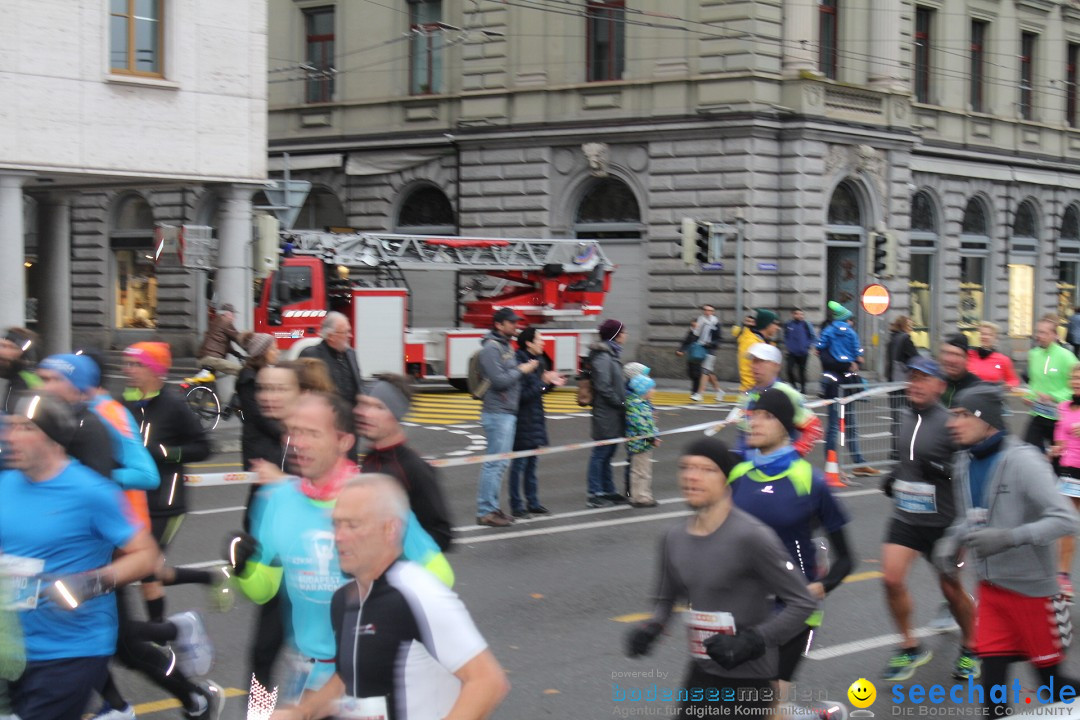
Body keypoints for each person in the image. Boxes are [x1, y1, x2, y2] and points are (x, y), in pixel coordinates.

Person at [227, 393, 453, 701]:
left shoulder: (377, 496)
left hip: (372, 676)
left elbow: (440, 574)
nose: (297, 442)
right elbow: (263, 590)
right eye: (293, 431)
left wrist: (385, 597)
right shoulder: (276, 501)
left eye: (311, 433)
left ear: (344, 441)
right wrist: (244, 568)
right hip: (308, 675)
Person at [268, 474, 510, 720]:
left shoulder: (419, 593)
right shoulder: (344, 600)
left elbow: (487, 681)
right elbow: (347, 677)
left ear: (389, 529)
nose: (339, 536)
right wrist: (302, 712)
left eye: (352, 525)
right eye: (336, 524)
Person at [624, 437, 817, 717]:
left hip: (749, 679)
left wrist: (753, 640)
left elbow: (803, 603)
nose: (692, 476)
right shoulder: (673, 538)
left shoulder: (752, 536)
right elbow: (665, 599)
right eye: (686, 468)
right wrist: (651, 628)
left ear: (726, 480)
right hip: (702, 672)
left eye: (706, 469)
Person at [0, 392, 159, 720]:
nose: (11, 436)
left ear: (54, 439)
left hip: (71, 650)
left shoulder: (92, 493)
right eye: (11, 426)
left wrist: (94, 582)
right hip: (12, 647)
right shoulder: (5, 484)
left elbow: (146, 555)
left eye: (26, 428)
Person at [937, 384, 1079, 719]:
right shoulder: (963, 461)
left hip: (1034, 595)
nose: (951, 422)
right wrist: (951, 541)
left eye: (961, 415)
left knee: (1054, 689)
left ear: (986, 420)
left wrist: (1009, 537)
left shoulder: (1024, 461)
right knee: (993, 699)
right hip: (991, 592)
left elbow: (1066, 520)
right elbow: (968, 517)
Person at [726, 389, 853, 689]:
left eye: (766, 416)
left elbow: (846, 558)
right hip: (744, 608)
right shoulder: (737, 474)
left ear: (785, 425)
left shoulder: (810, 481)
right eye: (752, 415)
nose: (754, 423)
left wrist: (819, 588)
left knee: (770, 700)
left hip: (792, 610)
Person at [879, 356, 977, 682]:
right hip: (906, 518)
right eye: (912, 377)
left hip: (944, 524)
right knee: (891, 579)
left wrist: (941, 471)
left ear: (940, 386)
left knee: (952, 591)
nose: (916, 384)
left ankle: (971, 647)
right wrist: (894, 476)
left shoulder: (951, 424)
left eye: (924, 378)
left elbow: (966, 471)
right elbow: (909, 460)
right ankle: (910, 647)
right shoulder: (905, 417)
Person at [121, 342, 212, 622]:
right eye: (129, 364)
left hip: (166, 501)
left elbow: (204, 447)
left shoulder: (173, 405)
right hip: (133, 500)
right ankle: (208, 577)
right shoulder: (125, 403)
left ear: (156, 371)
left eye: (138, 365)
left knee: (146, 570)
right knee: (147, 571)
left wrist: (167, 453)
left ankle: (160, 634)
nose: (129, 370)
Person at [356, 374, 454, 549]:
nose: (365, 413)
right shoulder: (369, 460)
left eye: (378, 407)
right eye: (364, 405)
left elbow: (441, 534)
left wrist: (394, 550)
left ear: (397, 413)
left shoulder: (413, 468)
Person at [475, 308, 544, 526]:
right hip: (497, 413)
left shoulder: (506, 347)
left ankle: (492, 508)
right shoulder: (491, 348)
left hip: (506, 412)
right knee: (494, 463)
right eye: (511, 323)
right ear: (499, 325)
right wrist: (523, 369)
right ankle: (486, 510)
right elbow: (500, 381)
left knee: (501, 464)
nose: (516, 326)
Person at [816, 301, 879, 477]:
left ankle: (857, 462)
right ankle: (836, 464)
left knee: (841, 425)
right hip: (842, 385)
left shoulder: (828, 333)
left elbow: (820, 351)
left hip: (838, 384)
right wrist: (853, 360)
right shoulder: (851, 333)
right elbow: (857, 354)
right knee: (845, 426)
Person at [506, 327, 562, 518]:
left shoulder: (537, 362)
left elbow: (538, 390)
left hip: (534, 417)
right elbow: (521, 395)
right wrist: (542, 382)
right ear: (529, 343)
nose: (543, 342)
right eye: (539, 339)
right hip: (522, 419)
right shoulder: (519, 362)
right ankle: (517, 505)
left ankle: (533, 502)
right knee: (519, 465)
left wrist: (551, 383)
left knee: (531, 464)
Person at [733, 343, 823, 460]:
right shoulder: (747, 395)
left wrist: (794, 454)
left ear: (776, 366)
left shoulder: (787, 393)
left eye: (761, 361)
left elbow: (814, 428)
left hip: (778, 468)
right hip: (750, 468)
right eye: (754, 361)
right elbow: (743, 436)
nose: (755, 366)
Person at [587, 319, 630, 508]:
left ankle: (608, 490)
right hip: (606, 412)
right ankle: (595, 493)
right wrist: (620, 402)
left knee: (609, 451)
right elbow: (603, 386)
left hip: (613, 412)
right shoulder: (603, 356)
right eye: (623, 332)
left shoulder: (611, 353)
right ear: (616, 335)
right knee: (601, 452)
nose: (626, 335)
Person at [1025, 314, 1078, 459]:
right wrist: (1028, 396)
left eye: (1043, 332)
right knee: (1029, 452)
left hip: (1059, 417)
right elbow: (1034, 383)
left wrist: (1053, 396)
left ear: (1054, 335)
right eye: (1038, 331)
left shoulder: (1066, 357)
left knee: (1059, 459)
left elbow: (1075, 385)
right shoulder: (1034, 354)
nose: (1039, 336)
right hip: (1038, 414)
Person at [1051, 363, 1080, 603]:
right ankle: (1063, 577)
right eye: (1075, 377)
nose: (1077, 381)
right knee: (1068, 523)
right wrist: (1054, 449)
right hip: (1070, 471)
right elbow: (1060, 437)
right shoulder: (1064, 407)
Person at [299, 312, 362, 406]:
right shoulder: (311, 355)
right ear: (331, 336)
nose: (350, 336)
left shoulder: (351, 354)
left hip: (350, 416)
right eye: (346, 332)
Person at [624, 365, 659, 508]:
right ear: (644, 390)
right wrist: (653, 437)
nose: (653, 391)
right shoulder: (639, 406)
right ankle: (641, 497)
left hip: (639, 442)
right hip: (641, 443)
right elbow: (644, 425)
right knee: (642, 471)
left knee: (638, 470)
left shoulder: (637, 403)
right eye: (651, 388)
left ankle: (636, 495)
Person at [676, 305, 721, 402]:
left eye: (710, 310)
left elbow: (719, 338)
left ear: (713, 312)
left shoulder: (715, 322)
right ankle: (719, 391)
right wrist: (682, 349)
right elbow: (691, 337)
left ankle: (699, 394)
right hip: (700, 348)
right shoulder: (699, 321)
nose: (707, 312)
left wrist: (711, 343)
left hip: (710, 349)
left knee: (705, 371)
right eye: (705, 310)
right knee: (708, 372)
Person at [195, 302, 243, 378]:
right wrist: (252, 348)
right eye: (233, 315)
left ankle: (202, 389)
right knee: (242, 371)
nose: (234, 318)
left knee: (210, 382)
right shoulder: (225, 321)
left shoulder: (215, 321)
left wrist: (237, 354)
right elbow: (239, 338)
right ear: (228, 314)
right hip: (212, 359)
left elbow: (224, 344)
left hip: (203, 358)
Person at [737, 309, 779, 391]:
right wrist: (754, 392)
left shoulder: (763, 341)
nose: (777, 328)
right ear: (767, 324)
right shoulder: (750, 342)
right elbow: (746, 370)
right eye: (775, 324)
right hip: (753, 393)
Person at [0, 327, 40, 414]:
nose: (1, 351)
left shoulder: (29, 378)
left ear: (22, 352)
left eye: (8, 346)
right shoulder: (12, 375)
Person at [968, 321, 1020, 387]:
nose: (985, 337)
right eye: (982, 334)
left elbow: (1013, 380)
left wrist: (1008, 385)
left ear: (995, 339)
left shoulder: (1003, 359)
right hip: (969, 395)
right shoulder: (968, 355)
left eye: (989, 335)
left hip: (991, 395)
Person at [938, 333, 984, 408]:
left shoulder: (977, 388)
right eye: (947, 353)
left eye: (957, 355)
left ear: (966, 358)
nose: (951, 360)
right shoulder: (934, 383)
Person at [784, 308, 817, 393]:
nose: (799, 316)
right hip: (792, 352)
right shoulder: (788, 324)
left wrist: (807, 346)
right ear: (793, 315)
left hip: (803, 352)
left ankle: (803, 389)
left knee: (802, 371)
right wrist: (788, 346)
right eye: (797, 314)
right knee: (789, 370)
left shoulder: (806, 324)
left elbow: (812, 336)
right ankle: (794, 386)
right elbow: (786, 336)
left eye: (801, 314)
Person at [886, 315, 919, 383]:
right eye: (909, 326)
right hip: (903, 378)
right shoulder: (905, 338)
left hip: (892, 377)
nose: (911, 329)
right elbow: (915, 357)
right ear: (903, 326)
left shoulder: (893, 338)